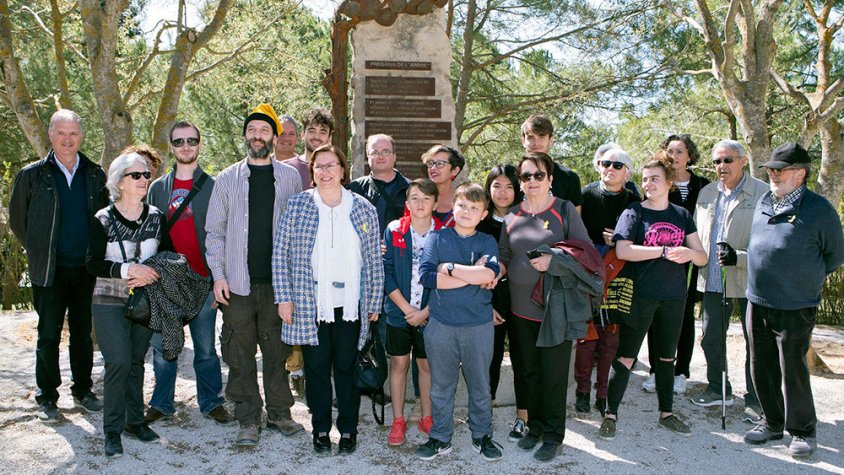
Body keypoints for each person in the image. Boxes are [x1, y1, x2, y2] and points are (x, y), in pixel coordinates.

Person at [273, 144, 384, 455]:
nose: (325, 171)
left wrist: (374, 301)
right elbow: (280, 254)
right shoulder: (298, 205)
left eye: (330, 165)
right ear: (312, 172)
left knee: (347, 368)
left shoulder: (362, 207)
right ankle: (320, 429)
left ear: (342, 170)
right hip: (311, 303)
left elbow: (373, 259)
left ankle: (348, 429)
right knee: (317, 369)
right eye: (318, 166)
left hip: (351, 304)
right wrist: (284, 298)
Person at [205, 103, 303, 446]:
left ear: (274, 137)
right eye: (252, 130)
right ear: (245, 135)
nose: (257, 136)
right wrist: (218, 275)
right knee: (239, 352)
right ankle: (247, 417)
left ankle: (279, 412)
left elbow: (297, 231)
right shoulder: (227, 178)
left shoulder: (290, 178)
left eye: (264, 130)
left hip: (278, 284)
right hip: (237, 284)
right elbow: (214, 232)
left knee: (277, 351)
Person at [743, 142, 844, 457]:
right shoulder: (764, 201)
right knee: (761, 366)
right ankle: (771, 422)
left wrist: (803, 278)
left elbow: (835, 256)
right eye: (770, 170)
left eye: (780, 170)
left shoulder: (819, 209)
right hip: (757, 300)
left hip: (796, 305)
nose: (772, 175)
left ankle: (802, 432)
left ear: (800, 173)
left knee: (793, 370)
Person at [599, 153, 708, 441]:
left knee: (666, 357)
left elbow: (702, 257)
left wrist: (688, 253)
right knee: (626, 356)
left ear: (669, 182)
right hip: (641, 296)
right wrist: (662, 251)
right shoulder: (635, 212)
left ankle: (667, 414)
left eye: (655, 179)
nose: (648, 184)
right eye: (645, 179)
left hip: (674, 297)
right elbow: (623, 250)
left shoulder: (681, 215)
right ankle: (610, 415)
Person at [9, 109, 108, 421]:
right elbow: (18, 221)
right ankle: (47, 396)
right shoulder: (31, 176)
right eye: (61, 133)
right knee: (49, 335)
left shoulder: (95, 175)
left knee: (82, 334)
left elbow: (104, 220)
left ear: (81, 137)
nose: (67, 139)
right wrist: (40, 250)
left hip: (86, 270)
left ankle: (83, 390)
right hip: (49, 270)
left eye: (73, 133)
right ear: (51, 135)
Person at [498, 152, 590, 461]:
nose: (533, 181)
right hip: (519, 309)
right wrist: (494, 269)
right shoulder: (512, 216)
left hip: (555, 309)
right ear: (520, 182)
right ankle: (535, 428)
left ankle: (553, 435)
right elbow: (505, 254)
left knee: (553, 376)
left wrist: (555, 260)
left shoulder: (564, 210)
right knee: (529, 372)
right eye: (526, 176)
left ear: (550, 179)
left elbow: (584, 252)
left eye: (539, 175)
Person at [145, 121, 232, 425]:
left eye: (191, 141)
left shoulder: (214, 186)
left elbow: (224, 235)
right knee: (162, 347)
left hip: (203, 281)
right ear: (171, 146)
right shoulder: (158, 188)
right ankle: (161, 403)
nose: (185, 146)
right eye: (179, 141)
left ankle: (211, 402)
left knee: (205, 348)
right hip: (165, 282)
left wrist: (219, 278)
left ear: (199, 144)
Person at [414, 183, 503, 462]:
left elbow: (489, 275)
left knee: (480, 385)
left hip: (478, 325)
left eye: (474, 208)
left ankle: (482, 435)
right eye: (462, 205)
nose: (466, 211)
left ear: (484, 214)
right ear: (453, 206)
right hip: (441, 324)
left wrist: (449, 268)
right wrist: (472, 274)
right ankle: (440, 437)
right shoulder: (437, 238)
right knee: (441, 387)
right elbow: (427, 277)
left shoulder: (487, 242)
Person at [86, 152, 164, 457]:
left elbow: (167, 255)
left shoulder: (156, 216)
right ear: (119, 182)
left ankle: (135, 422)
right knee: (118, 361)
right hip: (109, 297)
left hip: (145, 298)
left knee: (135, 361)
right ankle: (112, 430)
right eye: (136, 175)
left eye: (146, 175)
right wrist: (129, 269)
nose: (144, 180)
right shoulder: (102, 219)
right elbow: (92, 263)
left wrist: (152, 272)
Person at [690, 140, 766, 423]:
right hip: (713, 277)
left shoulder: (763, 193)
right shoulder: (707, 193)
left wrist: (740, 257)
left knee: (755, 342)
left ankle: (756, 399)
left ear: (742, 161)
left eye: (727, 160)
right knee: (711, 337)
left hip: (750, 280)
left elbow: (770, 242)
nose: (721, 166)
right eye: (716, 162)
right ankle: (717, 388)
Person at [642, 134, 710, 395]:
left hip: (690, 258)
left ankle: (681, 372)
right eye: (670, 151)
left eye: (680, 151)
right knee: (655, 316)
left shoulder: (703, 186)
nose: (674, 156)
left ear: (689, 155)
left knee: (684, 317)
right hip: (659, 256)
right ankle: (656, 371)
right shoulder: (659, 183)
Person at [574, 148, 640, 415]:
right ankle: (582, 392)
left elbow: (640, 236)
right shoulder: (586, 193)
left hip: (620, 268)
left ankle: (603, 394)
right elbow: (575, 229)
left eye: (617, 165)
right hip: (588, 265)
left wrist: (621, 239)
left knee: (610, 336)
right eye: (605, 163)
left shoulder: (633, 200)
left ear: (627, 173)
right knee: (586, 333)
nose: (610, 168)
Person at [383, 178, 441, 446]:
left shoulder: (443, 234)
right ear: (407, 203)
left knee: (425, 365)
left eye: (426, 198)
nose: (420, 203)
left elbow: (446, 279)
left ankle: (427, 416)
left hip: (430, 314)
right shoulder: (395, 230)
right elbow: (387, 272)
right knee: (398, 363)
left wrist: (425, 312)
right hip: (399, 313)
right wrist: (407, 309)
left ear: (435, 204)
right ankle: (398, 420)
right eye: (415, 198)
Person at [477, 164, 529, 442]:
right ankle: (485, 414)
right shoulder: (480, 221)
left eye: (509, 186)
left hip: (523, 300)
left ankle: (523, 417)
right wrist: (486, 305)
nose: (503, 192)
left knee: (523, 358)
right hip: (489, 302)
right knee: (490, 359)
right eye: (497, 185)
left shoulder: (527, 219)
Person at [349, 134, 411, 235]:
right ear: (368, 157)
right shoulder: (355, 189)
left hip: (400, 244)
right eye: (375, 152)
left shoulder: (410, 188)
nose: (380, 157)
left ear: (394, 156)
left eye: (385, 152)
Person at [520, 114, 583, 212]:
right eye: (531, 137)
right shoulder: (512, 177)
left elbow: (576, 219)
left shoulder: (569, 178)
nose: (536, 143)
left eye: (541, 137)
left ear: (550, 140)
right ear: (523, 140)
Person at [282, 108, 333, 190]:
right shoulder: (285, 168)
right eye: (312, 131)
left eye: (322, 132)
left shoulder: (336, 170)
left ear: (330, 138)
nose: (317, 137)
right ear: (302, 135)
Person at [422, 144, 464, 227]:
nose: (433, 168)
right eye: (430, 163)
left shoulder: (464, 201)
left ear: (455, 170)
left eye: (440, 163)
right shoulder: (417, 198)